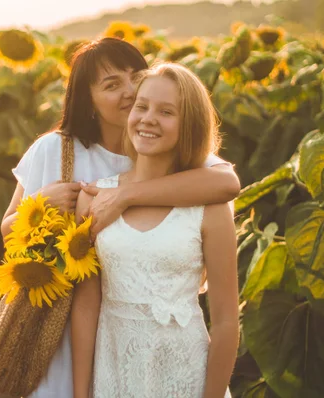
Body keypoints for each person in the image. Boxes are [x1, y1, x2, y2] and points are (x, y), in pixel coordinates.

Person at [1, 38, 241, 398]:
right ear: (89, 99)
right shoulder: (57, 150)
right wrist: (38, 204)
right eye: (112, 85)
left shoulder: (174, 160)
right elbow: (9, 234)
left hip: (173, 356)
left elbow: (227, 183)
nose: (130, 94)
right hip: (68, 332)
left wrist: (125, 196)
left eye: (135, 78)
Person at [71, 62, 240, 398]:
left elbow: (225, 320)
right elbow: (86, 305)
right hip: (115, 373)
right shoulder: (93, 198)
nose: (148, 118)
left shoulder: (210, 205)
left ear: (189, 125)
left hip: (185, 375)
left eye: (166, 112)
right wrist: (81, 393)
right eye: (141, 106)